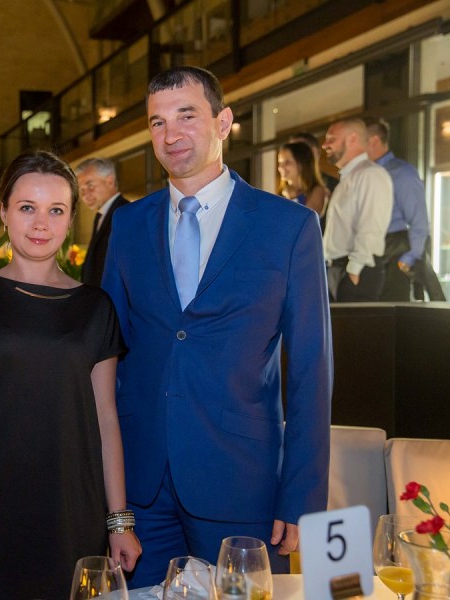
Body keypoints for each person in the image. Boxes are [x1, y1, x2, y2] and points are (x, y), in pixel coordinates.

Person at [101, 66, 332, 585]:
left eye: (186, 115)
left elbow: (311, 370)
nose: (171, 134)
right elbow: (110, 354)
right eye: (157, 122)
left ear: (223, 122)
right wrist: (110, 495)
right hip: (142, 487)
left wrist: (301, 496)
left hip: (241, 483)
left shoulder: (289, 226)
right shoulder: (128, 224)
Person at [0, 149, 141, 600]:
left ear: (71, 220)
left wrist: (118, 522)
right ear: (4, 212)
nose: (41, 224)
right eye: (28, 207)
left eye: (56, 210)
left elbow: (106, 419)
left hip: (74, 513)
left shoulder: (95, 308)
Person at [365, 117, 446, 301]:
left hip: (395, 257)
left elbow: (419, 222)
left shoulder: (401, 173)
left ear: (374, 141)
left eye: (361, 141)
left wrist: (407, 260)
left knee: (394, 314)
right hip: (374, 257)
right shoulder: (366, 174)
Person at [322, 118, 394, 302]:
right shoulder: (349, 177)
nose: (325, 145)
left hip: (356, 271)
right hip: (338, 270)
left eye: (331, 139)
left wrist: (354, 271)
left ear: (352, 139)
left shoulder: (371, 174)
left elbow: (371, 227)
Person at [75, 157, 130, 286]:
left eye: (90, 185)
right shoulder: (100, 216)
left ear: (110, 181)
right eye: (81, 189)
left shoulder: (126, 213)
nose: (85, 195)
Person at [277, 141, 328, 217]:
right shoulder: (281, 193)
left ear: (301, 163)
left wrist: (292, 198)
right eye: (280, 163)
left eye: (287, 162)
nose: (280, 167)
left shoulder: (317, 190)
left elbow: (307, 219)